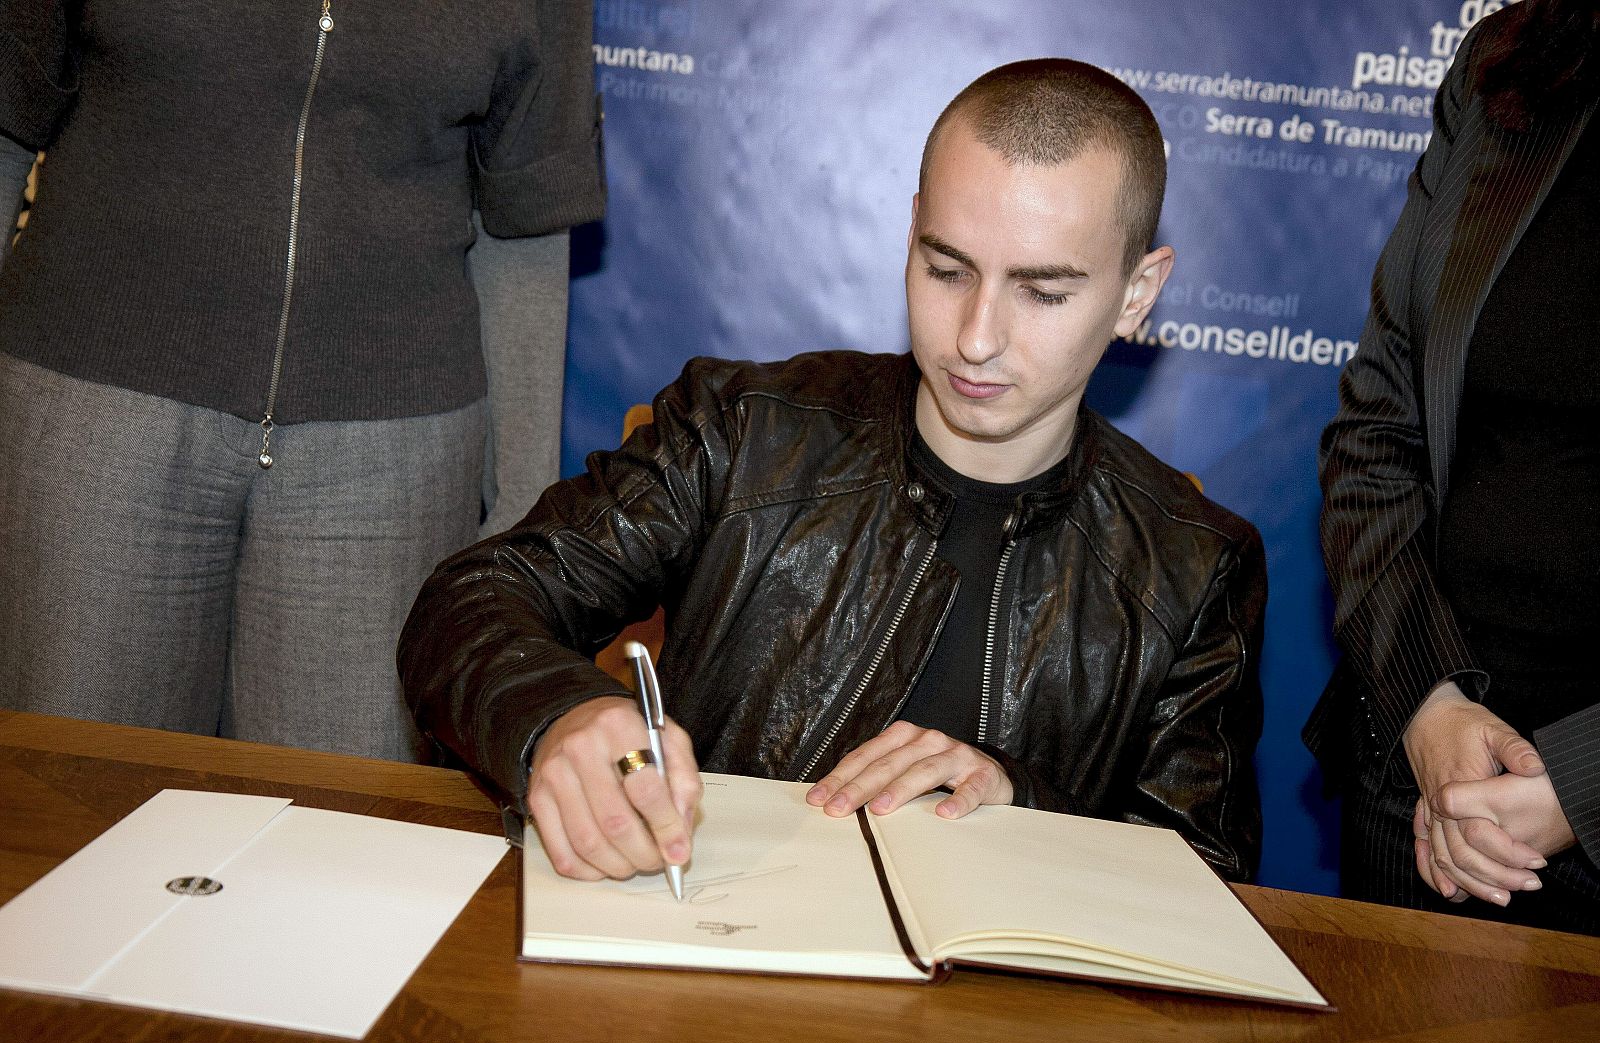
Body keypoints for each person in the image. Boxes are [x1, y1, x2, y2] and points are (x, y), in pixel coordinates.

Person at [400, 58, 1267, 885]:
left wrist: (1025, 805)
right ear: (911, 229)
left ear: (1137, 293)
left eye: (1043, 292)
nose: (976, 335)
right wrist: (558, 715)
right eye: (945, 267)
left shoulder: (1192, 567)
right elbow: (471, 598)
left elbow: (1204, 879)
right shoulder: (743, 430)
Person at [0, 1, 604, 761]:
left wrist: (521, 508)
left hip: (389, 456)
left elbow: (529, 212)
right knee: (73, 805)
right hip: (95, 415)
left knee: (339, 833)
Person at [1306, 0, 1599, 935]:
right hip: (1427, 789)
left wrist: (1584, 784)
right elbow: (1377, 425)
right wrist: (1428, 704)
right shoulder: (1514, 62)